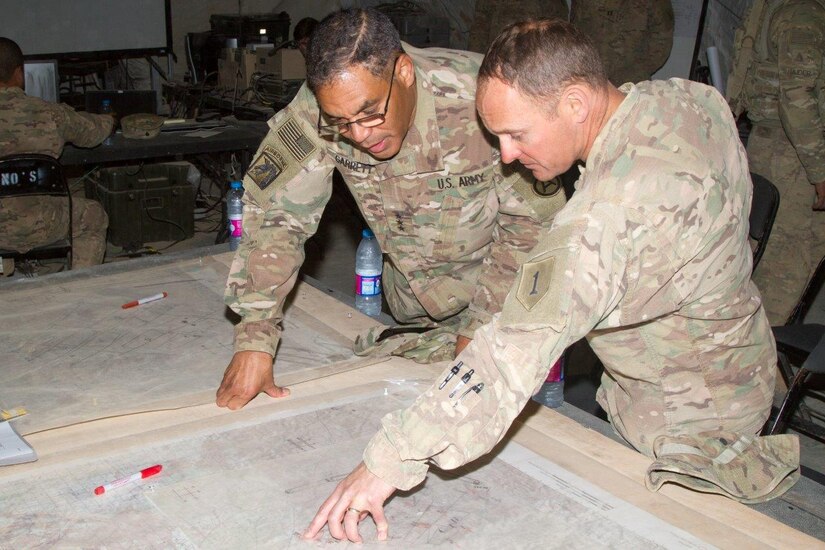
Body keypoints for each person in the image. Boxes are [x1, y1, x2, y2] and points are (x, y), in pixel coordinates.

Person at [304, 19, 800, 543]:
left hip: (692, 432)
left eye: (517, 133)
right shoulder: (684, 99)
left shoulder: (609, 218)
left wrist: (388, 461)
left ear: (575, 105)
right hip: (732, 367)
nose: (506, 155)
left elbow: (513, 348)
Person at [218, 9, 564, 410]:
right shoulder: (320, 110)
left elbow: (534, 225)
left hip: (506, 306)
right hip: (412, 310)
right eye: (341, 123)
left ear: (403, 71)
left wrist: (483, 322)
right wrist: (255, 336)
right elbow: (280, 218)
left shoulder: (481, 98)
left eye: (369, 113)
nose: (360, 135)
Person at [727, 0, 825, 324]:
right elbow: (797, 99)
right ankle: (762, 372)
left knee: (757, 267)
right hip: (794, 158)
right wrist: (820, 171)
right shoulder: (805, 12)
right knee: (784, 275)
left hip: (774, 146)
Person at [0, 37, 112, 270]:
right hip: (40, 223)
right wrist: (111, 118)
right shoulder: (50, 113)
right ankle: (80, 288)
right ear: (19, 73)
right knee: (94, 215)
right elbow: (93, 133)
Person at [570, 0, 674, 85]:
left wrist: (638, 70)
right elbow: (574, 30)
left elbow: (662, 38)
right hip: (589, 77)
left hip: (631, 81)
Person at [467, 0, 569, 53]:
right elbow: (480, 24)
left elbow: (556, 31)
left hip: (531, 59)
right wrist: (477, 57)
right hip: (495, 54)